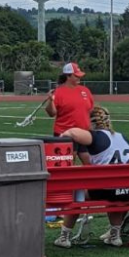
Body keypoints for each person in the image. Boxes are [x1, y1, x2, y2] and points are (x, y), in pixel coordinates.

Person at [54, 106, 129, 248]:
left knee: (77, 195)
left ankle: (64, 237)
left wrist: (64, 134)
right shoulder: (123, 137)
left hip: (107, 190)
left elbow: (74, 133)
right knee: (116, 192)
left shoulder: (97, 136)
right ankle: (115, 236)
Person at [45, 62, 95, 237]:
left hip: (84, 134)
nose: (79, 78)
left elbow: (90, 108)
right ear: (68, 76)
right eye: (76, 75)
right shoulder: (58, 92)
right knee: (67, 170)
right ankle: (61, 205)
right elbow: (51, 113)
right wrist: (50, 101)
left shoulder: (85, 91)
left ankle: (83, 200)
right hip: (65, 136)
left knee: (90, 165)